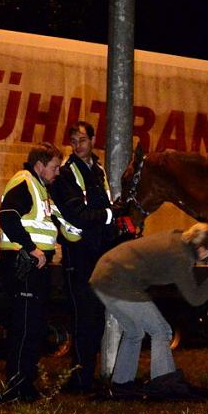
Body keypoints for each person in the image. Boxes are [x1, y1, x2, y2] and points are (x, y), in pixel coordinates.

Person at [90, 223, 208, 399]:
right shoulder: (181, 256)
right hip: (120, 282)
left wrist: (206, 265)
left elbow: (184, 276)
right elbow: (195, 297)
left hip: (102, 276)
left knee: (134, 332)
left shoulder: (176, 239)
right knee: (161, 330)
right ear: (201, 248)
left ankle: (121, 385)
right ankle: (164, 383)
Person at [48, 121, 136, 393]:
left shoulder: (98, 170)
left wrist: (119, 227)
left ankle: (87, 377)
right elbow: (79, 216)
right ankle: (80, 380)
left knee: (95, 319)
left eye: (82, 139)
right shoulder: (66, 173)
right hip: (78, 256)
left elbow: (102, 209)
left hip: (99, 254)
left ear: (93, 140)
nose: (77, 145)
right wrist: (110, 215)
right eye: (73, 140)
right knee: (83, 320)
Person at [0, 142, 82, 404]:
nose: (58, 172)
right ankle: (16, 388)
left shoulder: (41, 188)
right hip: (25, 263)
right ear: (40, 165)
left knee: (33, 326)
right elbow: (8, 216)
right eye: (55, 167)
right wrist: (32, 249)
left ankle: (25, 385)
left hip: (37, 264)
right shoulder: (24, 182)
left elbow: (63, 227)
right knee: (24, 326)